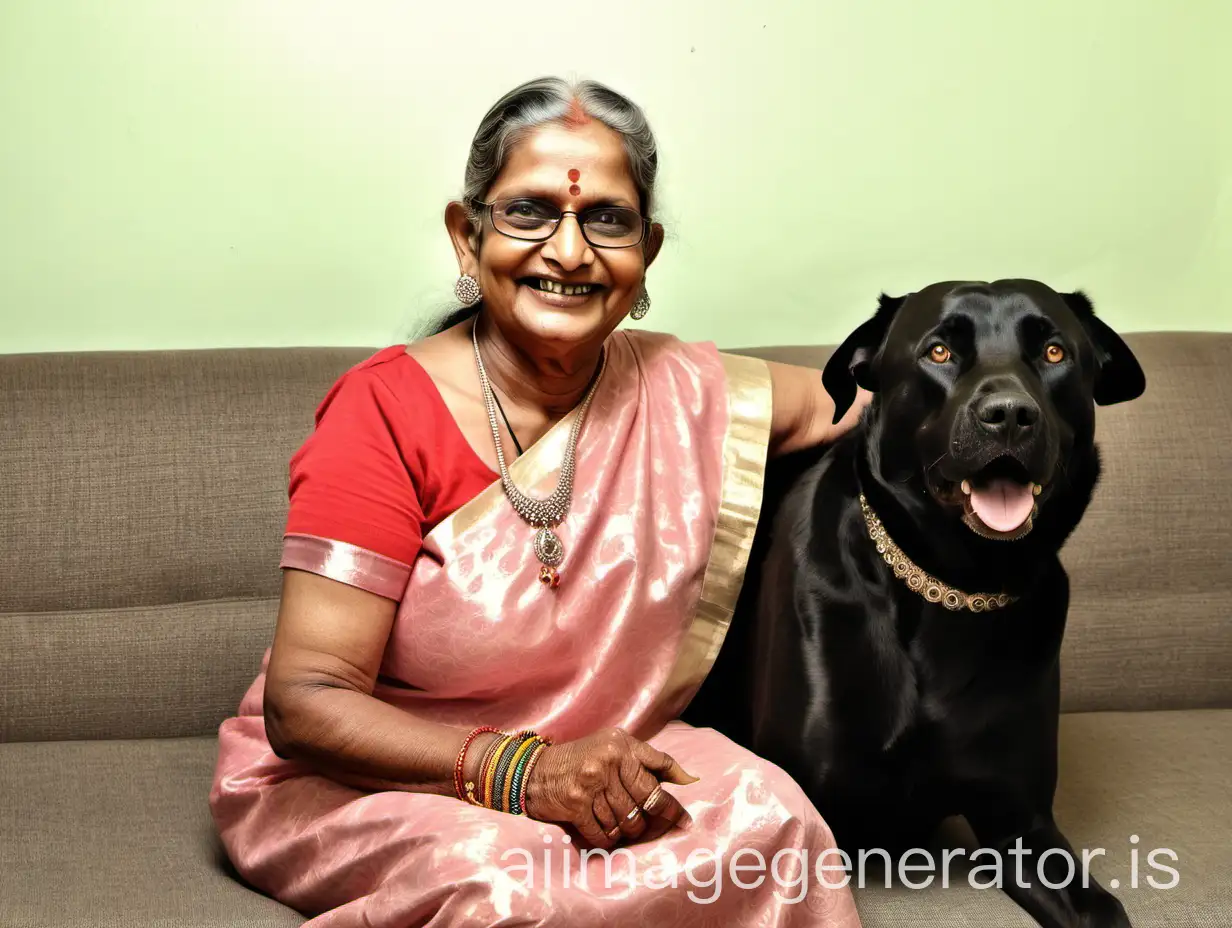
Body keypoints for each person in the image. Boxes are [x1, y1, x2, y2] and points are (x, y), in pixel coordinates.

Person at [210, 76, 867, 927]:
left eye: (607, 219)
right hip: (379, 775)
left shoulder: (689, 387)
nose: (569, 251)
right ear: (465, 233)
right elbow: (307, 702)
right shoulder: (383, 411)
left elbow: (862, 405)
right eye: (529, 212)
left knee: (777, 824)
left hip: (611, 750)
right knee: (508, 883)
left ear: (648, 251)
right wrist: (528, 775)